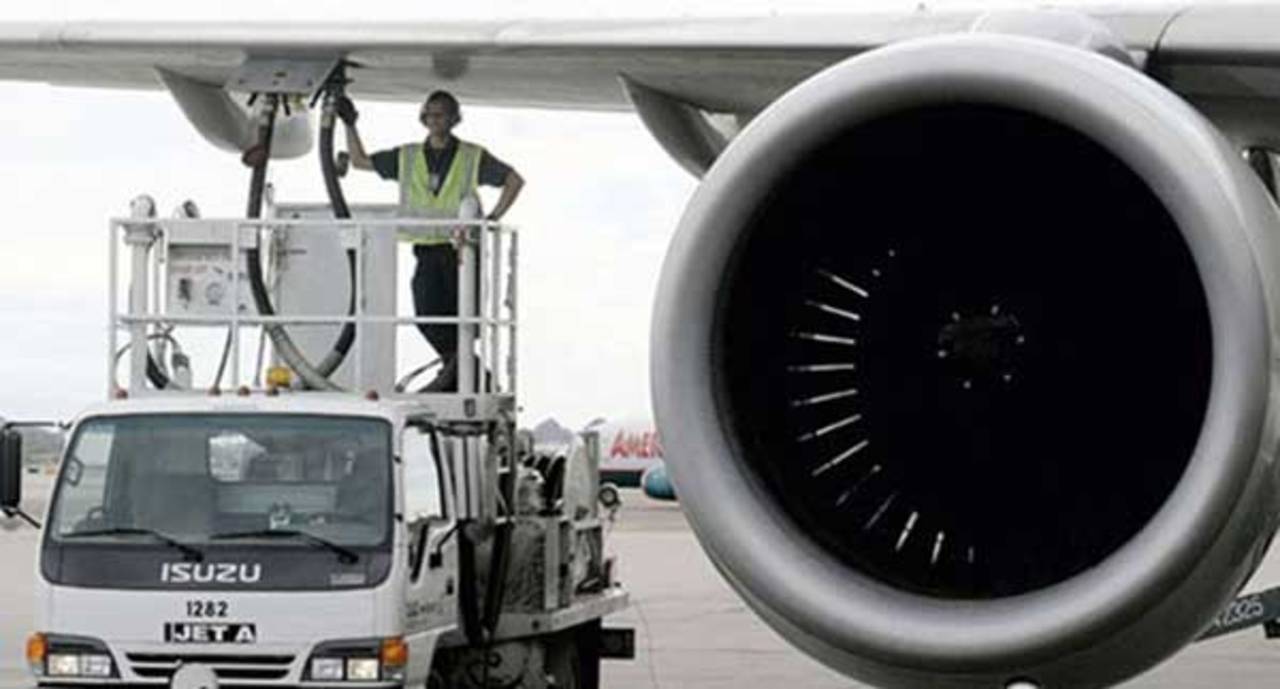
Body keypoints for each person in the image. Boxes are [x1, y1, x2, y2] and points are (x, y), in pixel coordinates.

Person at [338, 90, 524, 391]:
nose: (436, 120)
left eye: (442, 114)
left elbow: (514, 181)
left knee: (463, 321)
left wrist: (492, 218)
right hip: (425, 250)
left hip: (460, 252)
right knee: (427, 317)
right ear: (424, 118)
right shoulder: (408, 156)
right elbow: (360, 161)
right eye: (431, 114)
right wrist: (350, 124)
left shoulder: (471, 156)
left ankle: (462, 376)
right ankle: (469, 375)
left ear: (454, 119)